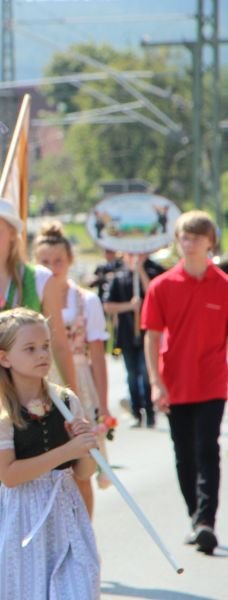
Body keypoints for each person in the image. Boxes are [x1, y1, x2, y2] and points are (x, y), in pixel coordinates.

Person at [0, 308, 100, 600]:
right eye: (30, 348)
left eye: (45, 346)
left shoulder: (66, 401)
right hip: (22, 515)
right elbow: (9, 475)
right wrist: (68, 449)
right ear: (4, 358)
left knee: (78, 588)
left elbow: (84, 472)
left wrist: (85, 446)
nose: (42, 354)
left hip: (64, 511)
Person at [141, 210, 228, 556]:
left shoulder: (223, 286)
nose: (189, 243)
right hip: (174, 382)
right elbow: (151, 336)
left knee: (207, 448)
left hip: (212, 382)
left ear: (210, 242)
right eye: (184, 237)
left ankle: (206, 521)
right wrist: (155, 382)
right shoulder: (162, 286)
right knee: (184, 454)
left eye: (196, 237)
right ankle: (195, 516)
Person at [34, 222, 112, 514]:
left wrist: (102, 403)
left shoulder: (86, 300)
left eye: (58, 261)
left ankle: (84, 530)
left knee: (81, 468)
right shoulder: (34, 301)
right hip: (41, 382)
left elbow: (98, 355)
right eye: (45, 262)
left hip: (77, 379)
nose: (52, 268)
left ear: (70, 261)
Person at [0, 197, 77, 393]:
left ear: (12, 234)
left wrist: (73, 399)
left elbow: (59, 344)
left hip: (29, 394)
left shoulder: (39, 278)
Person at [102, 252, 164, 428]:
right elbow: (108, 305)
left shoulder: (153, 272)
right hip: (126, 335)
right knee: (131, 375)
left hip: (147, 335)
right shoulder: (118, 278)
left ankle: (150, 412)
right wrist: (129, 306)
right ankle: (136, 412)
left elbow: (155, 294)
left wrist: (141, 272)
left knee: (145, 374)